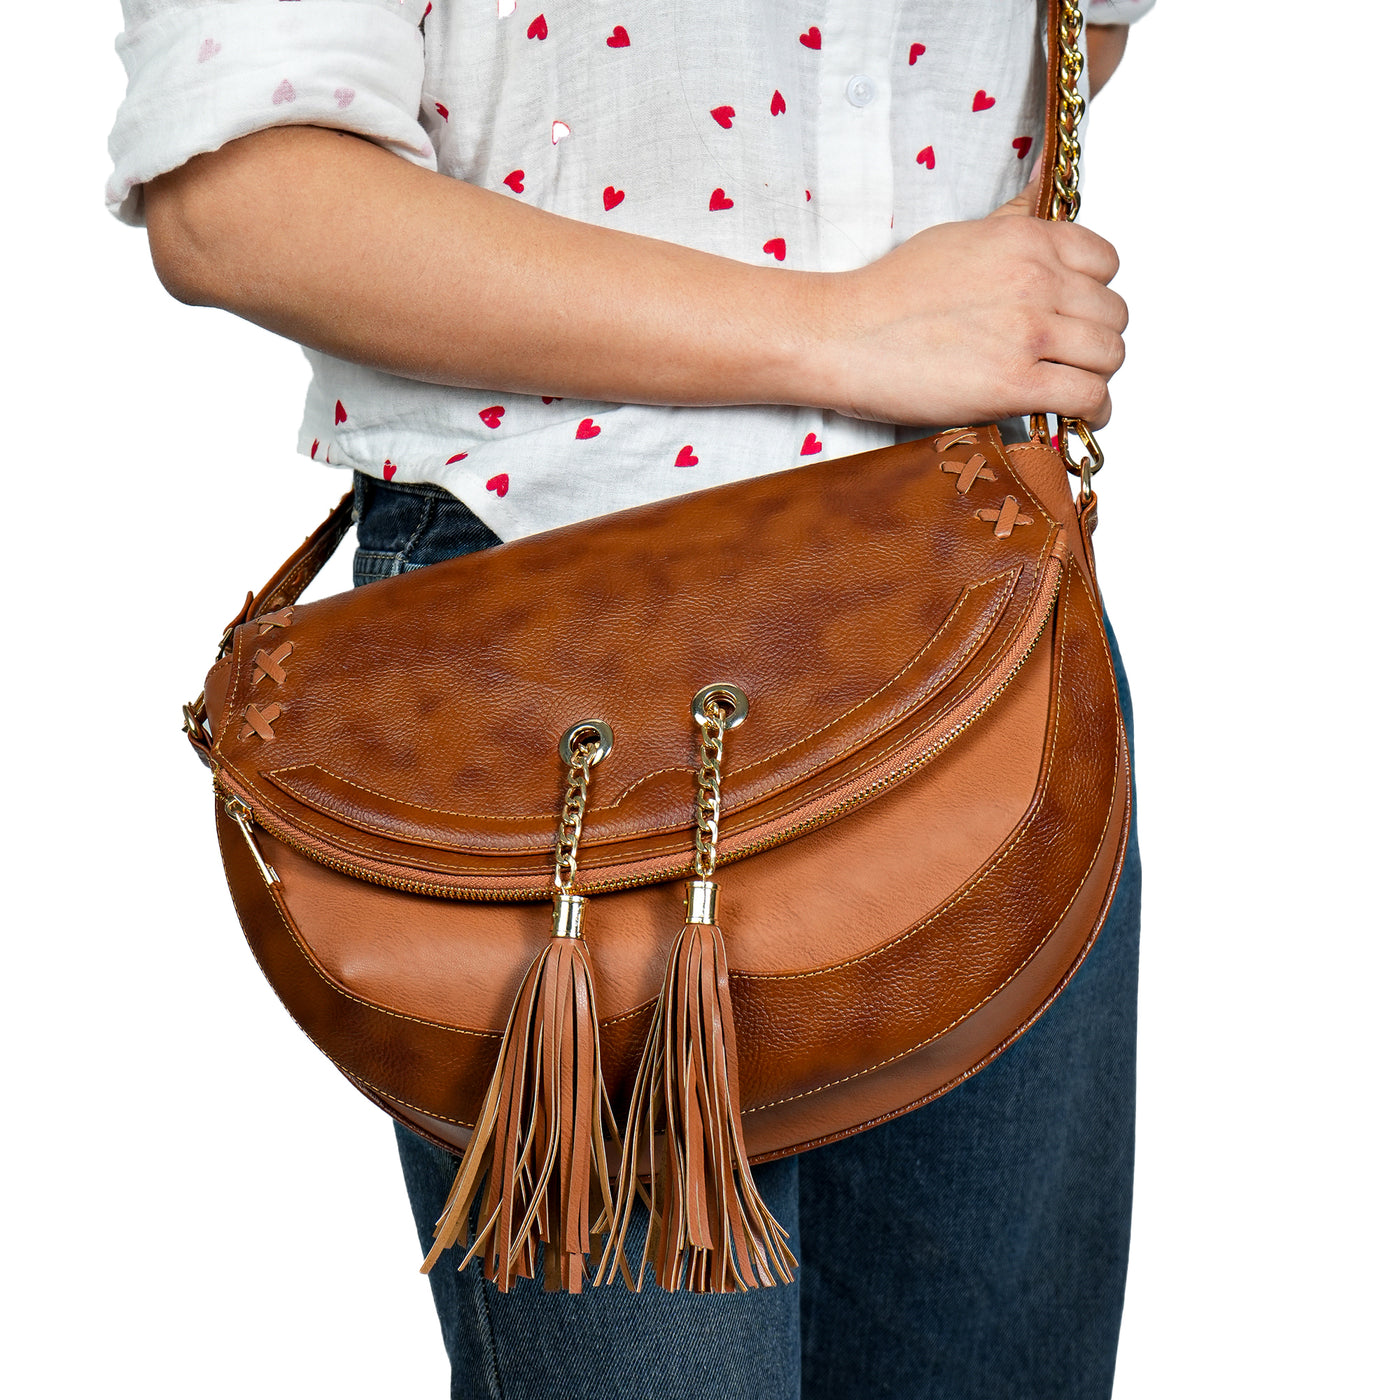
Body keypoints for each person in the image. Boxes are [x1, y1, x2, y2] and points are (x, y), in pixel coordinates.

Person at [105, 2, 1153, 1395]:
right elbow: (238, 198)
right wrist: (840, 326)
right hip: (549, 657)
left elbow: (1073, 34)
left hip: (970, 616)